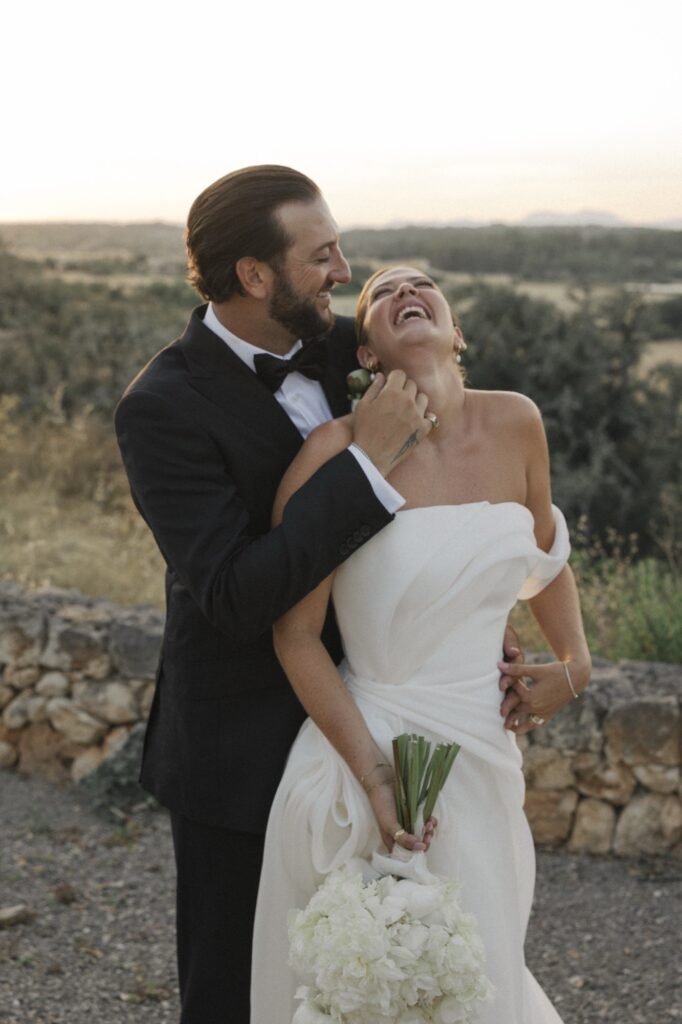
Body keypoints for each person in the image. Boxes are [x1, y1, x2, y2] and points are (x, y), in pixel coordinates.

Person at [114, 167, 439, 1024]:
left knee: (374, 975)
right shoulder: (161, 408)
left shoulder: (347, 351)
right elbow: (230, 593)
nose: (343, 269)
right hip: (239, 747)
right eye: (321, 253)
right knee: (234, 992)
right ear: (256, 276)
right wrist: (363, 463)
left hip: (379, 709)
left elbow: (441, 487)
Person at [251, 266, 592, 1024]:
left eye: (425, 282)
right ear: (366, 353)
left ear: (455, 330)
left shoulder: (517, 422)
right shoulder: (330, 453)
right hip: (364, 761)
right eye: (382, 292)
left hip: (484, 759)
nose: (409, 288)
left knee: (484, 969)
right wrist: (371, 772)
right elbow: (296, 634)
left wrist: (576, 663)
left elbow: (545, 557)